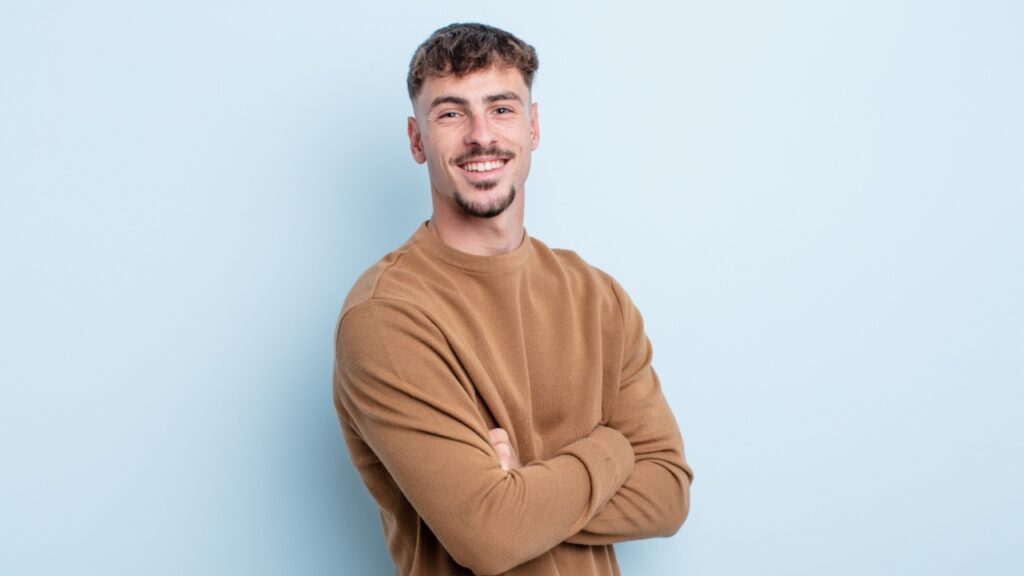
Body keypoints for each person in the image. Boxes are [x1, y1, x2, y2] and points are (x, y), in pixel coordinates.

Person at [333, 22, 693, 576]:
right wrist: (613, 449)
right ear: (416, 139)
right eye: (451, 113)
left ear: (533, 126)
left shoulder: (596, 296)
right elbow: (490, 535)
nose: (481, 135)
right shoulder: (386, 315)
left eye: (501, 108)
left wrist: (526, 480)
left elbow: (668, 494)